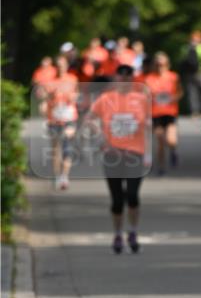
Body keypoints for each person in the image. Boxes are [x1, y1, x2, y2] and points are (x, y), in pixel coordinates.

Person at [85, 63, 151, 254]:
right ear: (116, 78)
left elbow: (148, 127)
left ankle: (133, 231)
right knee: (116, 199)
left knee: (132, 195)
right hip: (111, 154)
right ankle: (117, 233)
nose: (124, 81)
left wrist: (148, 154)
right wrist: (99, 134)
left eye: (127, 77)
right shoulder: (106, 99)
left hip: (134, 154)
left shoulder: (141, 99)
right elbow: (89, 118)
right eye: (121, 77)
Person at [142, 52, 183, 174]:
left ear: (167, 64)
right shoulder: (148, 78)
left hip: (170, 112)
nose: (160, 66)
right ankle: (161, 166)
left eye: (163, 64)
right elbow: (144, 94)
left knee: (171, 140)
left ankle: (173, 152)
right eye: (158, 64)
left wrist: (173, 98)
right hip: (155, 113)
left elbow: (180, 92)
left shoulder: (173, 77)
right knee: (159, 138)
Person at [43, 54, 79, 190]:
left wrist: (73, 97)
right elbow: (44, 97)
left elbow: (77, 95)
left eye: (62, 66)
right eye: (58, 66)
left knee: (67, 147)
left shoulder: (73, 79)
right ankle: (57, 176)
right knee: (56, 149)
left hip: (69, 118)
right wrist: (50, 97)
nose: (60, 68)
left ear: (67, 66)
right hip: (54, 119)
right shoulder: (50, 81)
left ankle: (65, 176)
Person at [181, 29, 201, 115]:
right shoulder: (187, 48)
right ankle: (194, 111)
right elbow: (183, 60)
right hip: (190, 74)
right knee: (192, 93)